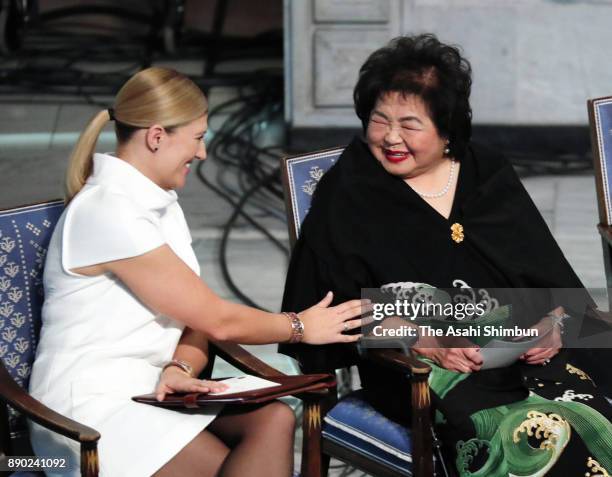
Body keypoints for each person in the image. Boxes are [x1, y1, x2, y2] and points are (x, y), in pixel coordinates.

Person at [281, 34, 612, 476]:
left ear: (447, 127)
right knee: (540, 438)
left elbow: (548, 278)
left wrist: (554, 324)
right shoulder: (348, 193)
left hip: (528, 350)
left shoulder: (486, 172)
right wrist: (425, 341)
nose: (391, 137)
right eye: (379, 121)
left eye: (410, 124)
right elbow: (333, 311)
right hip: (426, 370)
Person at [28, 67, 367, 477]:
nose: (203, 153)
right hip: (90, 410)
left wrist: (182, 366)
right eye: (198, 137)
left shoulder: (161, 201)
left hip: (149, 389)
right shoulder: (108, 211)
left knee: (274, 418)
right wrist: (299, 326)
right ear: (157, 137)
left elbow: (197, 318)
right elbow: (218, 319)